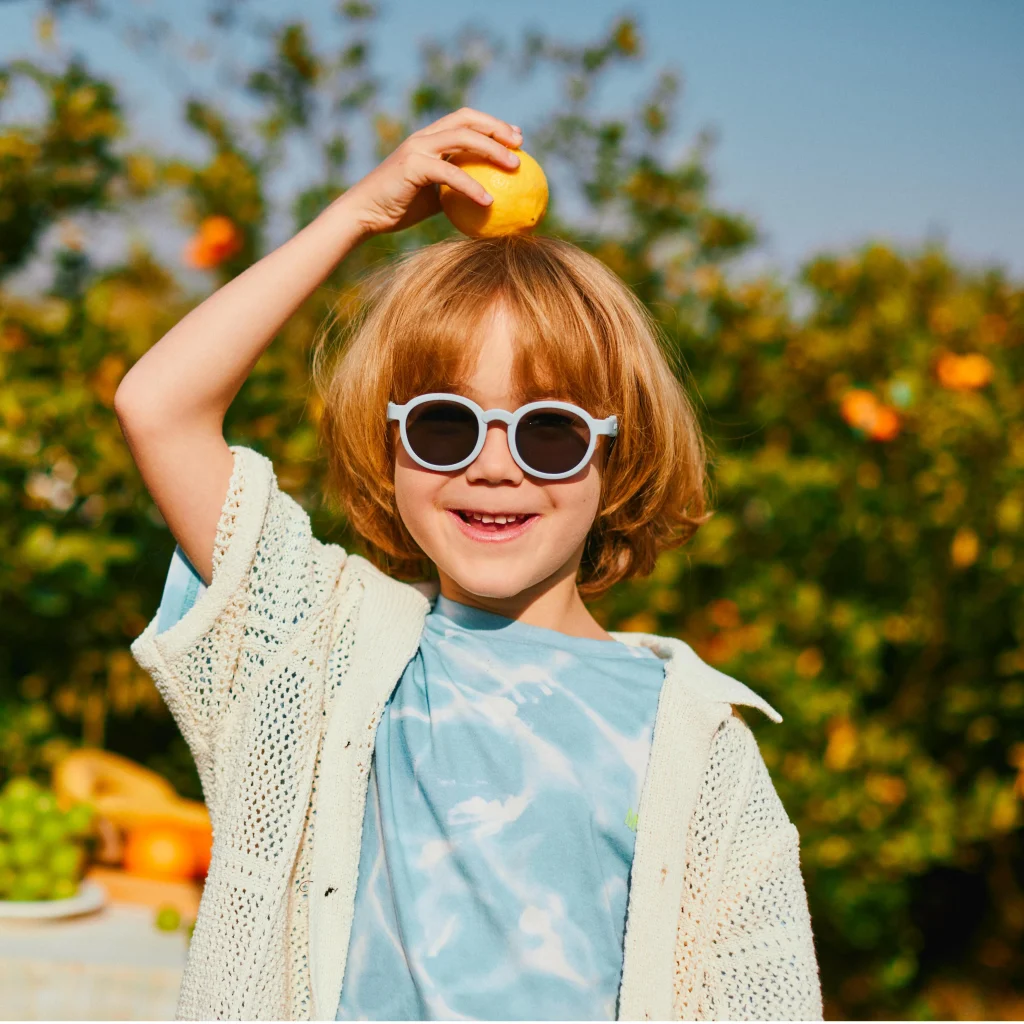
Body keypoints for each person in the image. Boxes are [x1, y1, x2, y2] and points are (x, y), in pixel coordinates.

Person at [117, 107, 823, 1022]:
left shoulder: (696, 744)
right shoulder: (319, 642)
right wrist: (358, 215)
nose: (495, 464)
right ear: (393, 448)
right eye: (446, 425)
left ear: (619, 458)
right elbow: (158, 408)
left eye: (552, 433)